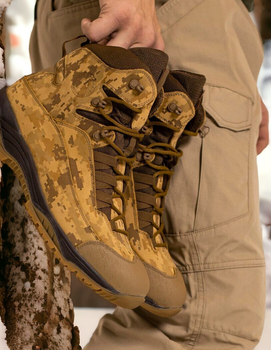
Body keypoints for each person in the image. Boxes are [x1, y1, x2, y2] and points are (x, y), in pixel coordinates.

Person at [29, 0, 269, 348]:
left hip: (190, 23)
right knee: (201, 321)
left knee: (176, 304)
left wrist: (234, 64)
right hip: (167, 16)